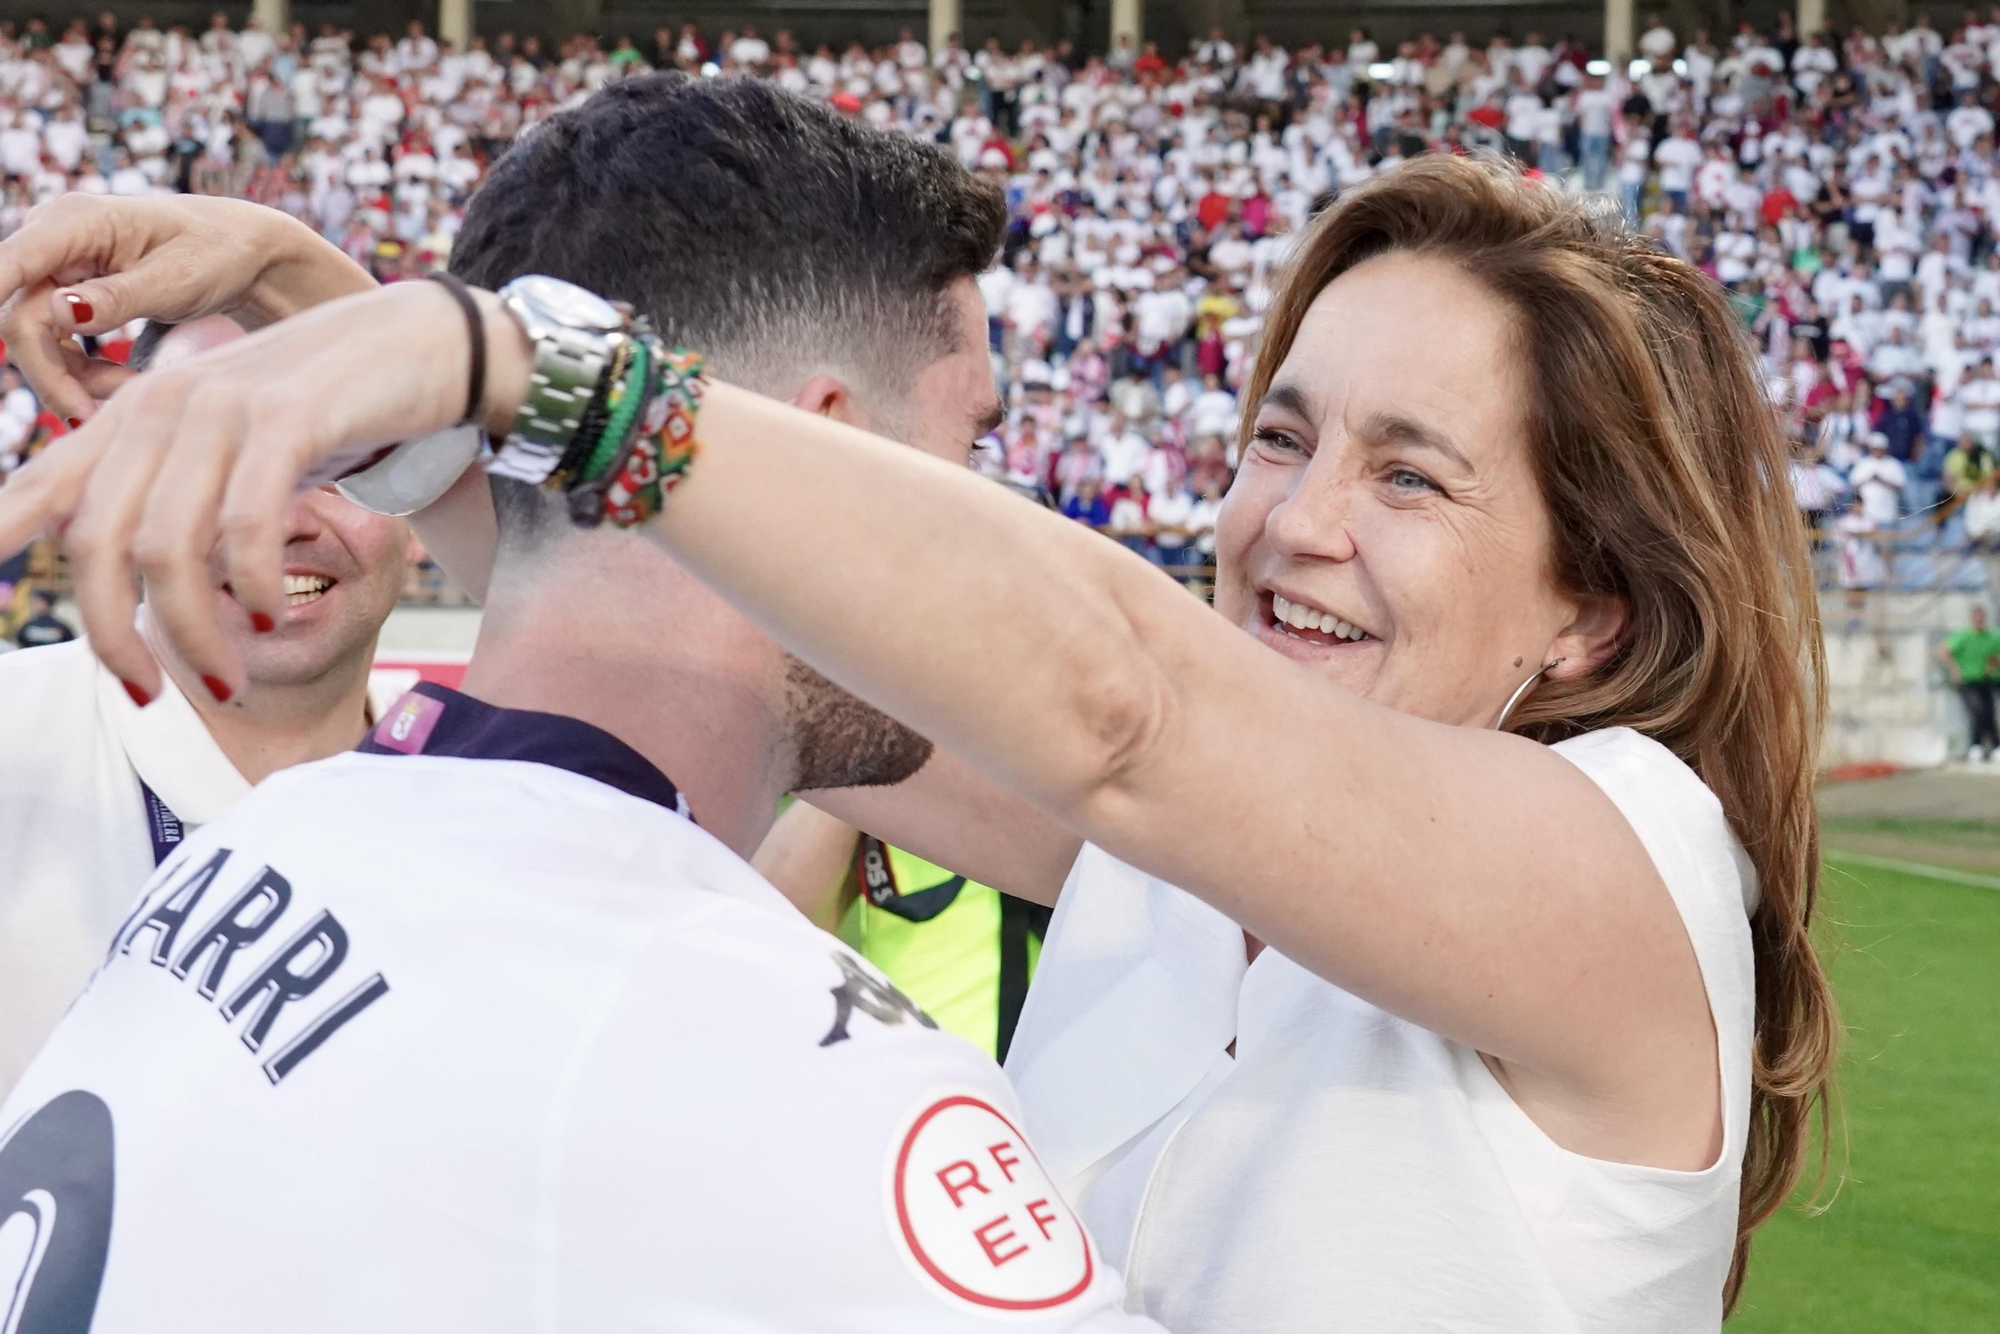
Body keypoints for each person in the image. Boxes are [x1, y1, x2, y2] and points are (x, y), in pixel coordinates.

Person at [1, 154, 1836, 1333]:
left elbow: (1130, 704)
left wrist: (517, 361)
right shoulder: (1170, 870)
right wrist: (336, 311)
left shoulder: (1627, 859)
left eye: (1407, 473)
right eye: (1281, 436)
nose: (1297, 522)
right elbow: (694, 617)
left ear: (1587, 610)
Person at [0, 77, 1162, 1333]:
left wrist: (309, 278)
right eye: (971, 453)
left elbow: (597, 551)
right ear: (823, 449)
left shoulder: (277, 840)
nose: (998, 526)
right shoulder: (777, 1075)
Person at [0, 314, 413, 1097]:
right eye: (213, 462)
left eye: (339, 462)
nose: (278, 521)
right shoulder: (11, 744)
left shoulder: (479, 800)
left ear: (420, 506)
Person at [756, 801, 1051, 1061]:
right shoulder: (898, 773)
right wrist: (861, 763)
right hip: (932, 1086)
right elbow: (770, 929)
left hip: (1072, 1075)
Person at [1937, 603, 2000, 761]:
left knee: (1989, 713)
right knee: (1977, 711)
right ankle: (1976, 745)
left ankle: (1994, 746)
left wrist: (1995, 663)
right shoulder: (1963, 636)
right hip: (1968, 681)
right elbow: (1943, 652)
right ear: (1972, 619)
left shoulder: (1992, 636)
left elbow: (1995, 657)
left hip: (1987, 680)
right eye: (1976, 619)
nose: (1979, 622)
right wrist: (1955, 669)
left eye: (1981, 619)